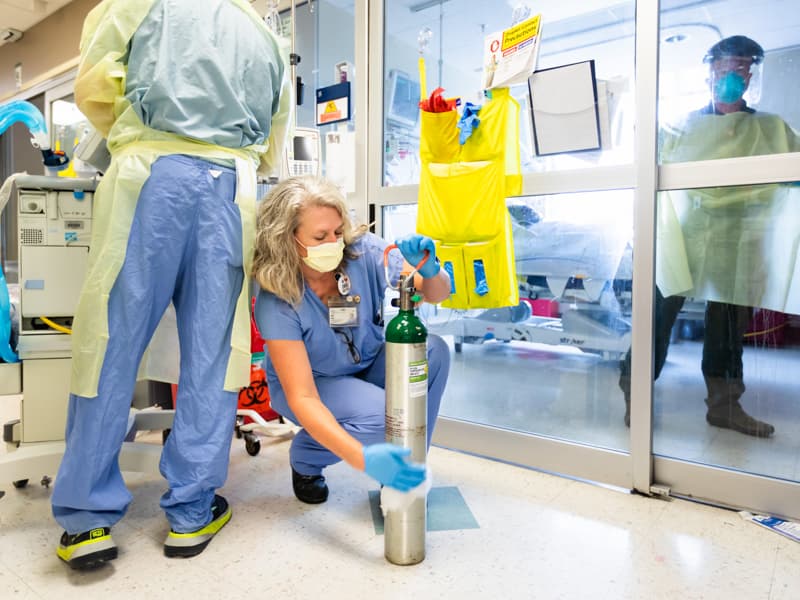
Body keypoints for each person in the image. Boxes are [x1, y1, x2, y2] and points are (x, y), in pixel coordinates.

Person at [51, 0, 290, 569]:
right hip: (232, 188)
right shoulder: (263, 30)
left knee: (110, 344)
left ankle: (87, 520)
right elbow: (275, 132)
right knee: (213, 355)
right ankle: (191, 510)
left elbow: (94, 88)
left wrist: (142, 138)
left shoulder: (137, 4)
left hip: (147, 178)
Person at [619, 35, 800, 437]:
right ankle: (635, 397)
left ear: (751, 74)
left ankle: (725, 406)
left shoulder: (769, 128)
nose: (731, 76)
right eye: (724, 68)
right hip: (688, 235)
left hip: (740, 238)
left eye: (740, 68)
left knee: (728, 326)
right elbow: (645, 173)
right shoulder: (683, 127)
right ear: (710, 73)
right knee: (657, 316)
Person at [252, 176, 451, 504]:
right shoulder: (278, 299)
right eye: (320, 236)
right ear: (287, 239)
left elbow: (433, 293)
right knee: (379, 417)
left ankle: (406, 469)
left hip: (367, 361)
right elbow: (303, 396)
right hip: (315, 382)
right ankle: (307, 457)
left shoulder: (362, 251)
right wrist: (363, 458)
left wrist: (430, 270)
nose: (335, 242)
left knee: (433, 353)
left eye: (337, 231)